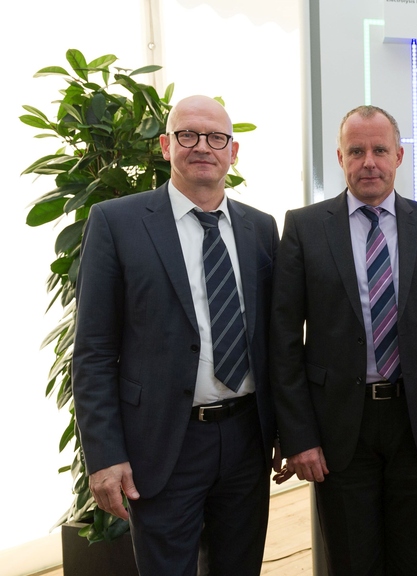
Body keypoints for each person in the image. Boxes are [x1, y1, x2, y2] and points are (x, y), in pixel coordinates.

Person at [73, 95, 285, 574]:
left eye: (216, 137)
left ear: (234, 152)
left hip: (246, 439)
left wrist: (285, 431)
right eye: (188, 135)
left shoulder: (260, 228)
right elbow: (93, 351)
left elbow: (274, 341)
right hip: (163, 443)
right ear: (167, 146)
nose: (202, 147)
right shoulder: (116, 223)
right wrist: (104, 455)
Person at [270, 104, 417, 574]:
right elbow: (283, 340)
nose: (369, 161)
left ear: (399, 156)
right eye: (357, 150)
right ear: (340, 157)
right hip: (339, 427)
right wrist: (298, 436)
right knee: (352, 559)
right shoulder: (303, 228)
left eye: (379, 150)